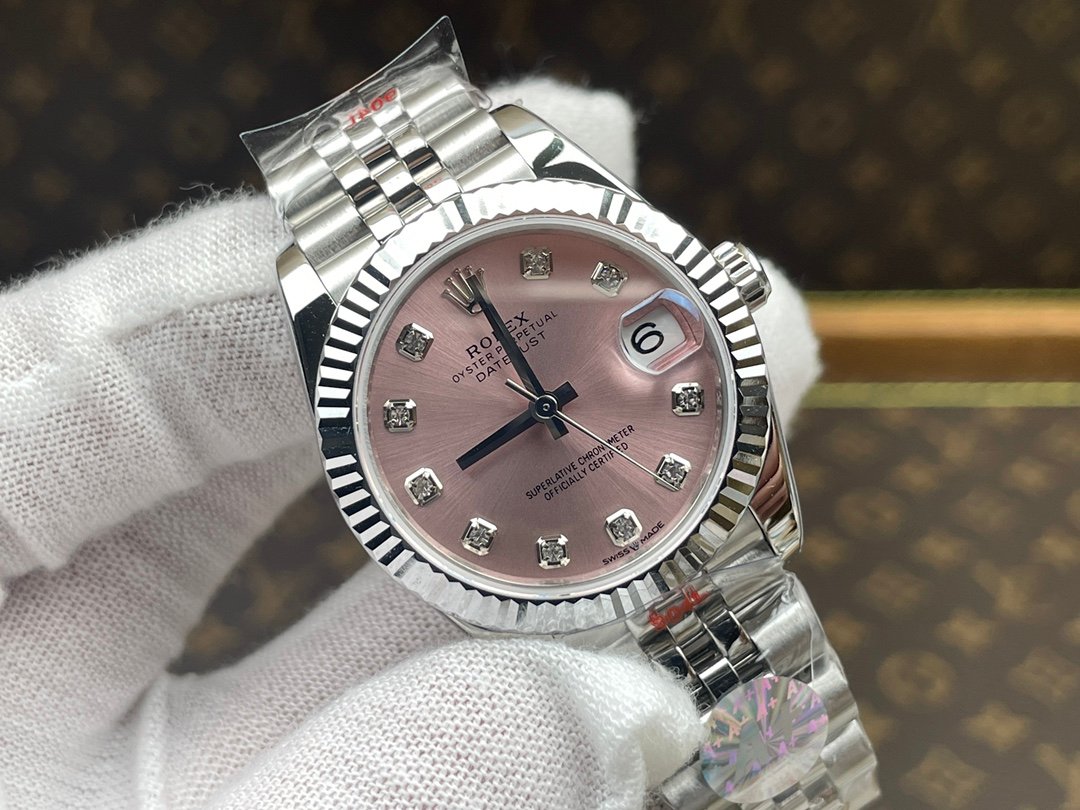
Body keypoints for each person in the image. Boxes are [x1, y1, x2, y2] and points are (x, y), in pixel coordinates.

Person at [0, 78, 821, 809]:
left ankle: (809, 774)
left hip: (702, 515)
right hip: (570, 564)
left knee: (750, 727)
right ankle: (787, 780)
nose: (546, 408)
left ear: (724, 286)